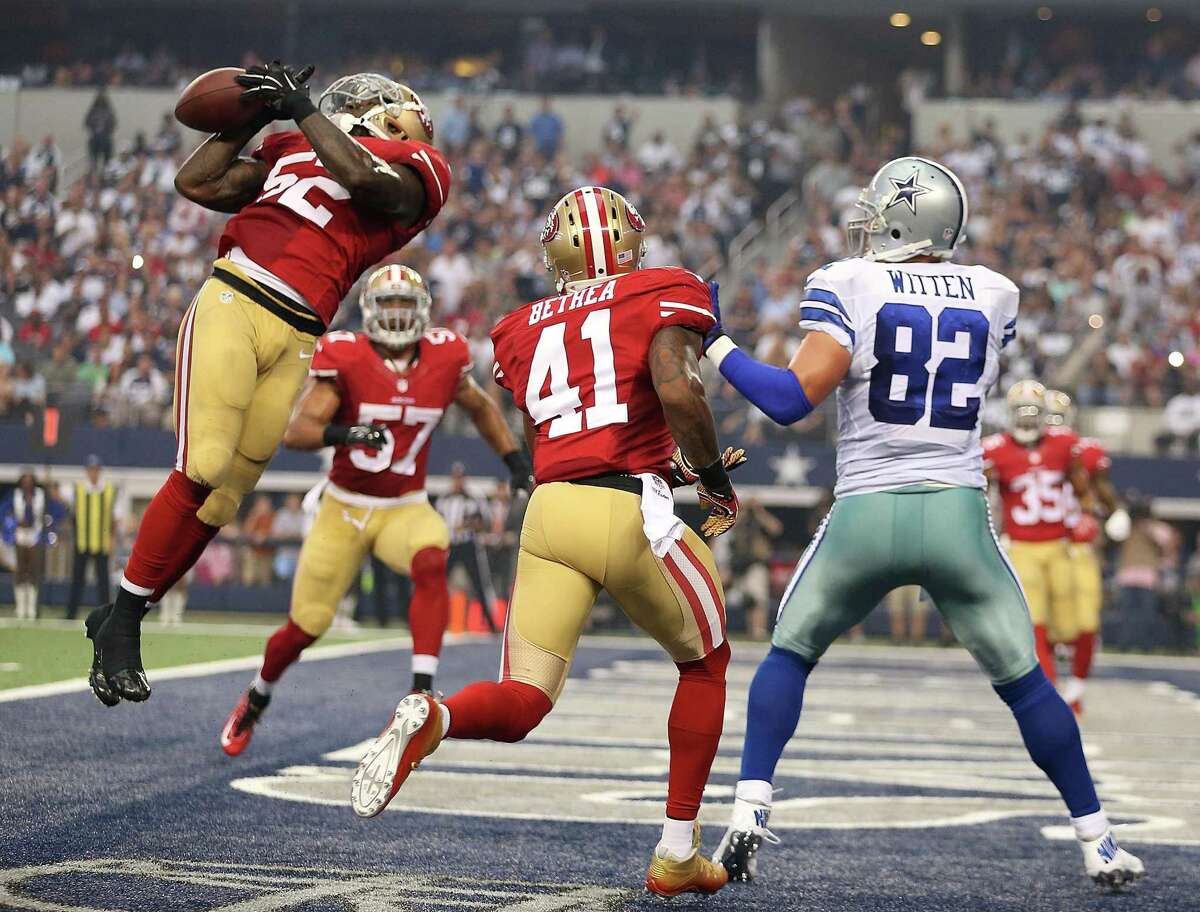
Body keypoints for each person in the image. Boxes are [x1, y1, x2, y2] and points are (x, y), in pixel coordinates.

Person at [706, 157, 1144, 889]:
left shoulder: (850, 281)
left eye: (880, 215)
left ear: (902, 218)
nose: (869, 227)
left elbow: (789, 401)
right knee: (1028, 683)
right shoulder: (994, 292)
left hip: (867, 512)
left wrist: (716, 343)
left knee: (789, 652)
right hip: (957, 518)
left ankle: (750, 809)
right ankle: (1097, 839)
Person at [349, 186, 741, 898]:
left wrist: (666, 464)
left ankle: (436, 715)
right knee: (706, 662)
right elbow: (679, 396)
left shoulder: (518, 327)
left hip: (552, 509)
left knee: (524, 695)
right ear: (631, 247)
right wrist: (711, 480)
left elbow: (560, 433)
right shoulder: (664, 288)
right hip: (626, 511)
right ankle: (677, 850)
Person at [85, 66, 452, 708]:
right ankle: (123, 626)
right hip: (238, 295)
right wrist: (255, 116)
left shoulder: (416, 165)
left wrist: (302, 111)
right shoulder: (293, 145)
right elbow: (195, 180)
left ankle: (120, 616)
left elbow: (367, 181)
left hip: (301, 332)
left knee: (224, 501)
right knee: (201, 466)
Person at [219, 265, 531, 757]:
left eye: (406, 305)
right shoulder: (347, 356)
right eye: (389, 305)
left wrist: (514, 461)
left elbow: (479, 407)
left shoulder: (445, 356)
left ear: (422, 310)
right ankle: (258, 695)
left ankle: (421, 689)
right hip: (344, 508)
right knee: (305, 627)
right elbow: (296, 432)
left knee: (432, 554)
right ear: (371, 310)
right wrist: (344, 433)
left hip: (403, 507)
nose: (398, 314)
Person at [983, 381, 1088, 684]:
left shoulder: (1065, 444)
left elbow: (1081, 488)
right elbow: (987, 499)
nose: (1027, 418)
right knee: (1035, 618)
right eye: (1021, 411)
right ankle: (1049, 684)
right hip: (1021, 544)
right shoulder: (995, 450)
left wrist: (1086, 513)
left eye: (1033, 411)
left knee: (1069, 625)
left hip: (1059, 544)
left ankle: (1055, 661)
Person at [1044, 390, 1119, 715]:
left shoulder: (1084, 451)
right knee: (1040, 622)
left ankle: (1074, 689)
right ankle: (1048, 691)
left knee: (1087, 622)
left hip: (1076, 548)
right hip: (1037, 545)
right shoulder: (1016, 448)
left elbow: (1103, 493)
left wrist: (1109, 513)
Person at [435, 462, 499, 632]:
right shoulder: (443, 500)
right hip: (450, 545)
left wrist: (467, 525)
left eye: (460, 478)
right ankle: (432, 619)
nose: (457, 482)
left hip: (468, 544)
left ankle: (490, 623)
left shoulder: (474, 497)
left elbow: (485, 522)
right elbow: (436, 523)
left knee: (479, 583)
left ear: (464, 479)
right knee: (438, 582)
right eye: (455, 478)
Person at [64, 456, 122, 621]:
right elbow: (61, 497)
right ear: (86, 471)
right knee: (77, 580)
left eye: (96, 470)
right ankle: (71, 614)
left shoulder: (109, 490)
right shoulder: (78, 489)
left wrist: (112, 540)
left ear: (99, 471)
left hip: (102, 543)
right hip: (82, 542)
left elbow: (115, 519)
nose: (93, 473)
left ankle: (105, 616)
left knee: (103, 582)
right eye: (90, 470)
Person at [5, 470, 53, 620]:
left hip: (35, 534)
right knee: (20, 571)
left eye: (30, 480)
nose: (27, 483)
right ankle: (20, 608)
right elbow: (4, 511)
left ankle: (31, 609)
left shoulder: (40, 494)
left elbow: (48, 512)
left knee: (33, 571)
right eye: (24, 480)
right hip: (20, 534)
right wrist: (12, 524)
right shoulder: (16, 495)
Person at [84, 88, 116, 171]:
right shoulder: (93, 111)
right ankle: (93, 169)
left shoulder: (109, 111)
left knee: (107, 158)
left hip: (106, 137)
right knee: (93, 157)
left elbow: (113, 123)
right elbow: (87, 122)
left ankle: (106, 170)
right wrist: (94, 129)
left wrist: (106, 131)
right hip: (95, 136)